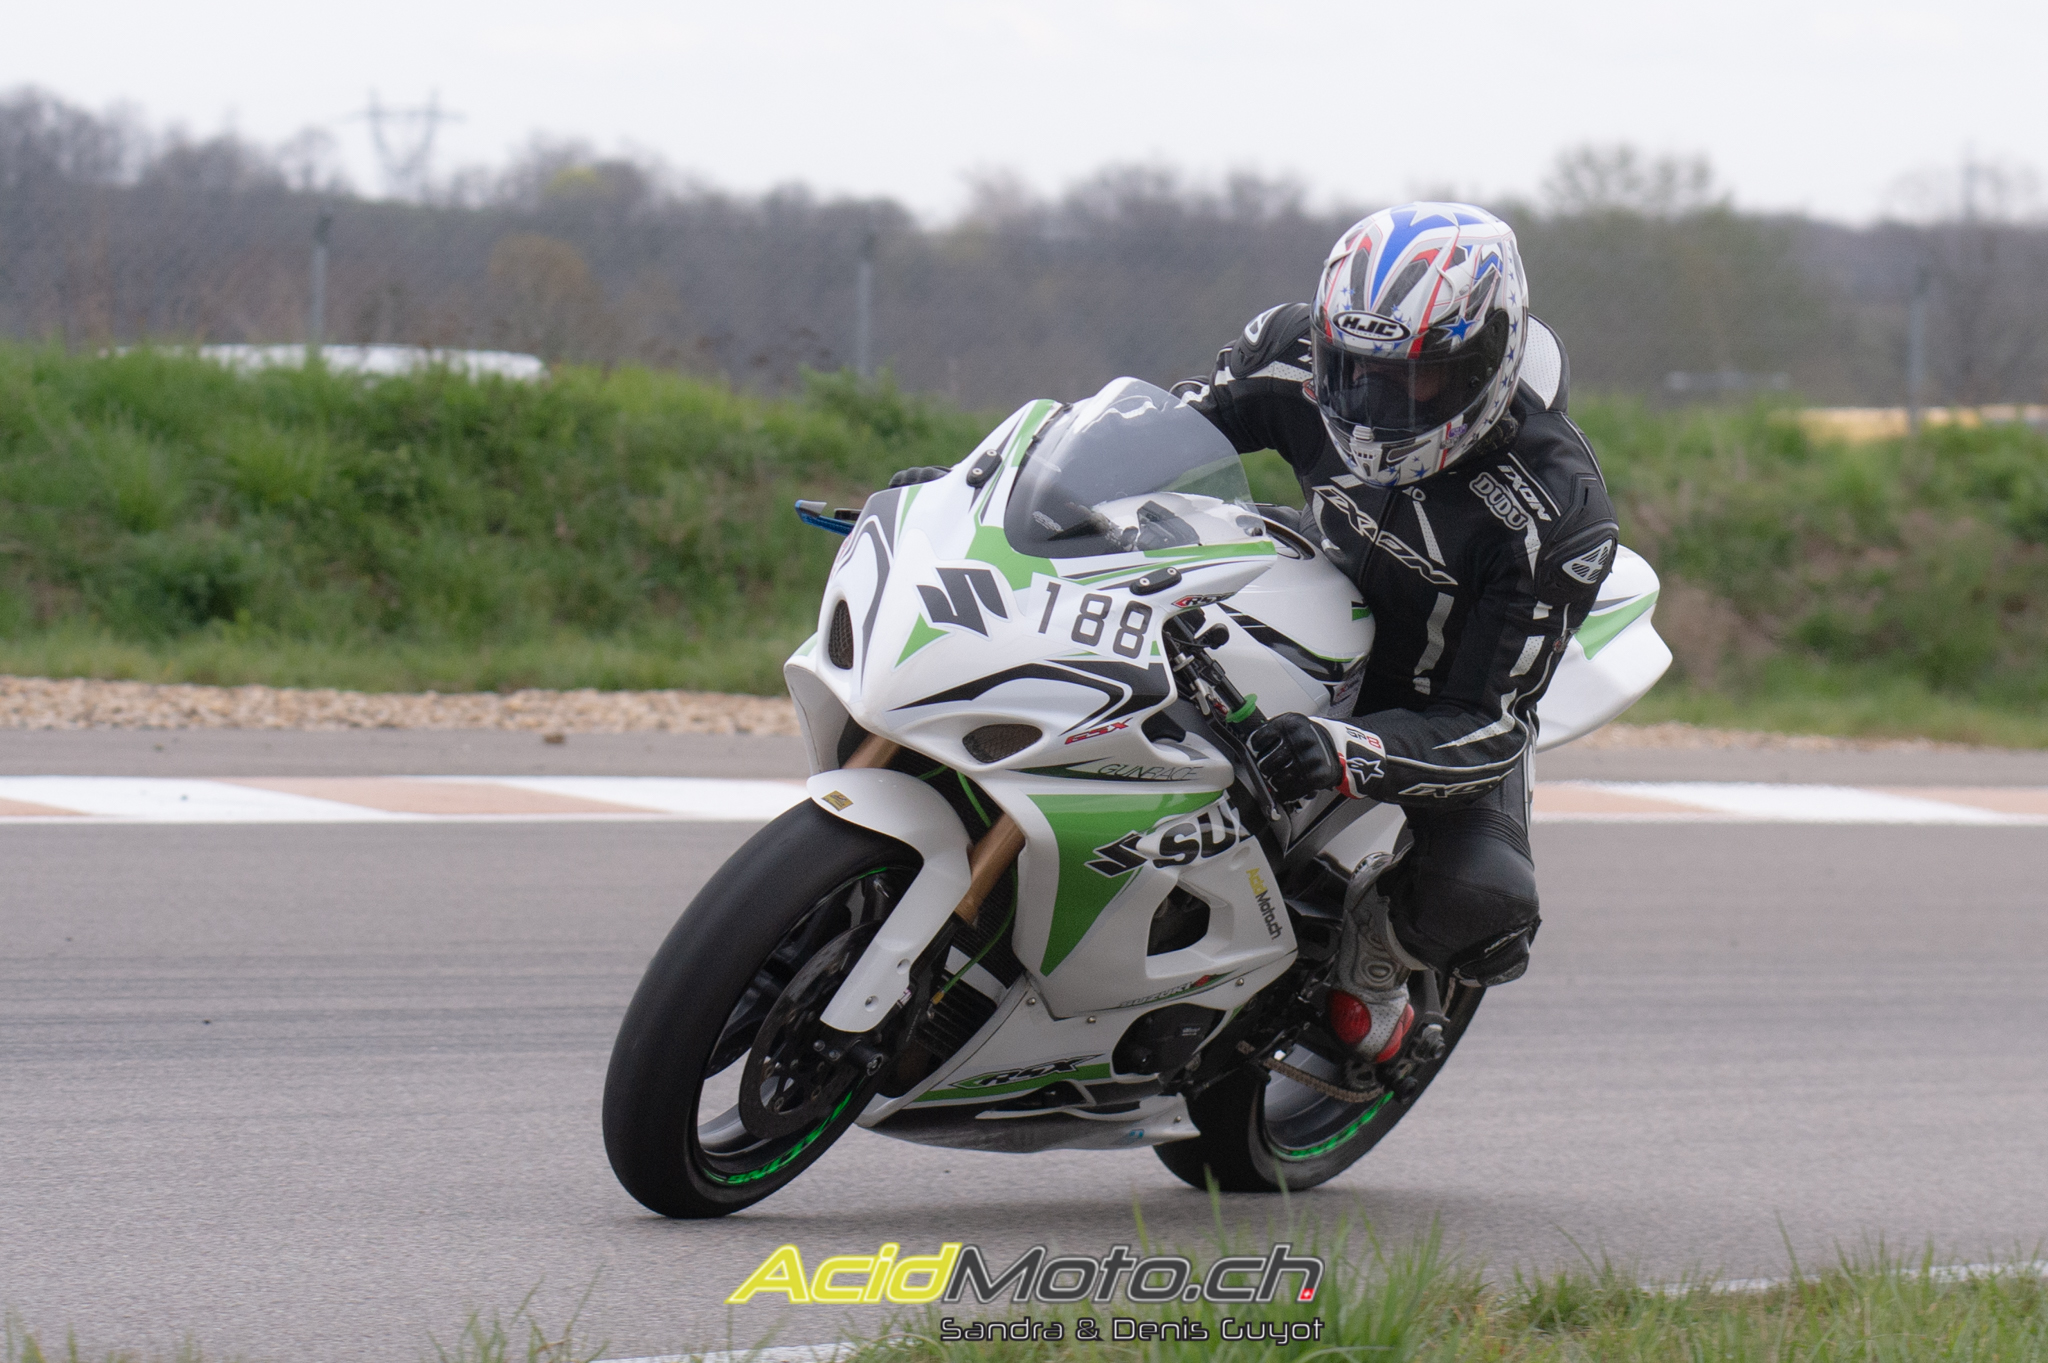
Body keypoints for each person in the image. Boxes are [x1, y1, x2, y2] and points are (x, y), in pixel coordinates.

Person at [1172, 202, 1617, 1065]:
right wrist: (993, 486)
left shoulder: (1555, 510)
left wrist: (1348, 751)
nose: (1376, 403)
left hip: (1426, 696)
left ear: (1487, 359)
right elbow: (1158, 433)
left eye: (1420, 380)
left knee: (1485, 902)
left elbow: (1489, 724)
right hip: (1304, 595)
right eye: (1356, 371)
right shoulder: (1290, 352)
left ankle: (1376, 952)